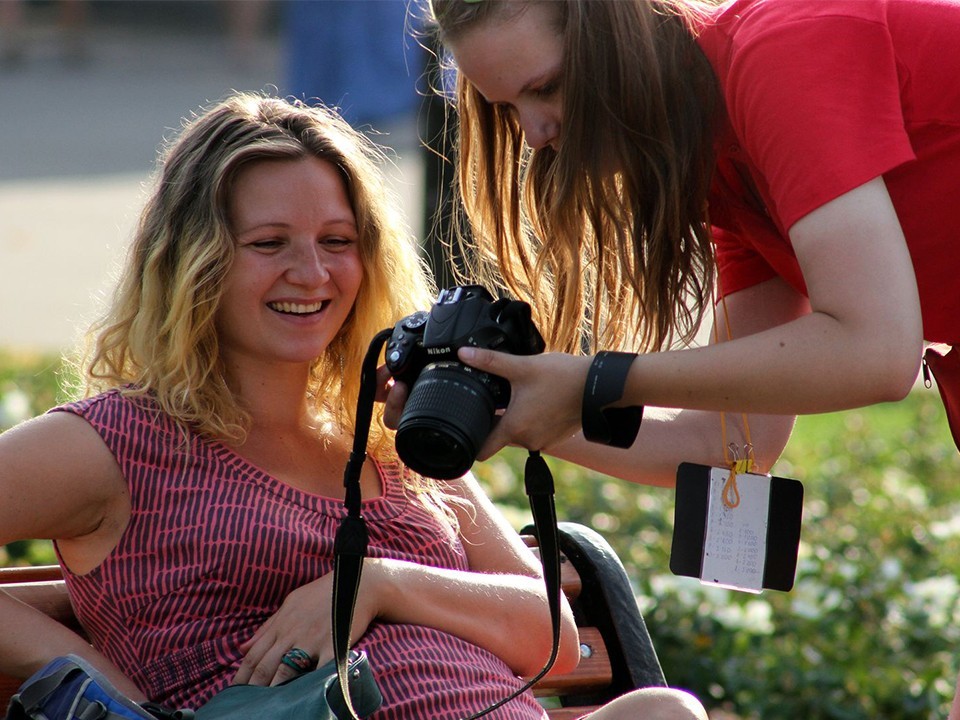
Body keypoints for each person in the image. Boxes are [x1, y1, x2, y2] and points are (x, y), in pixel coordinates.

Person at [0, 92, 707, 720]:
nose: (312, 274)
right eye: (268, 243)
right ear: (193, 260)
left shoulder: (393, 427)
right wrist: (96, 680)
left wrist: (380, 582)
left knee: (663, 712)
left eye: (337, 242)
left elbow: (550, 636)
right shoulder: (121, 442)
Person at [406, 0, 960, 485]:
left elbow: (877, 350)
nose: (534, 134)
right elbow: (729, 442)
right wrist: (503, 408)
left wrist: (598, 382)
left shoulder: (778, 55)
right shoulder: (722, 158)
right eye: (507, 108)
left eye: (546, 87)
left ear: (614, 31)